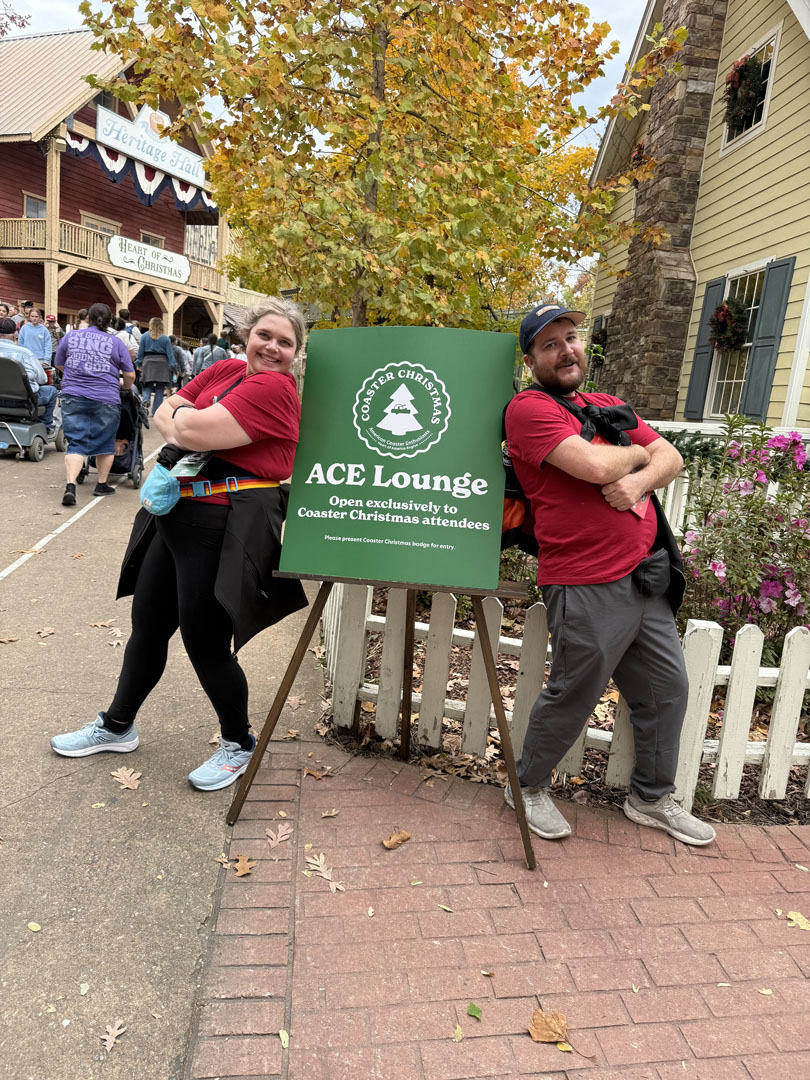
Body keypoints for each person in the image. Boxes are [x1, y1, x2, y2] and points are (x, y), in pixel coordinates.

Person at [49, 297, 309, 791]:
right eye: (265, 335)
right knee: (147, 627)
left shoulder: (274, 387)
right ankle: (117, 726)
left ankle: (239, 743)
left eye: (285, 342)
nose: (272, 348)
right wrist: (186, 423)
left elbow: (182, 423)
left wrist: (185, 420)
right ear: (246, 335)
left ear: (295, 352)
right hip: (174, 514)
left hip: (222, 524)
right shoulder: (227, 370)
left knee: (206, 643)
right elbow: (163, 415)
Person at [503, 304, 715, 847]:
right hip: (583, 579)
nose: (566, 350)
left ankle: (651, 798)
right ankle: (527, 787)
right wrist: (640, 453)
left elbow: (672, 458)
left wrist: (640, 481)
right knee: (575, 691)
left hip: (646, 576)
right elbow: (596, 467)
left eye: (571, 338)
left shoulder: (603, 405)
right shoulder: (529, 409)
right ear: (531, 360)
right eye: (550, 344)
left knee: (667, 690)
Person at [54, 302, 135, 505]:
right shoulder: (116, 342)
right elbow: (130, 374)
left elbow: (59, 363)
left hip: (73, 395)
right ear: (110, 322)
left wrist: (74, 375)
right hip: (106, 397)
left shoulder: (71, 336)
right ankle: (101, 484)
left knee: (75, 443)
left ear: (88, 318)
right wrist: (124, 386)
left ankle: (70, 485)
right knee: (105, 443)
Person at [0, 317, 58, 436]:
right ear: (16, 334)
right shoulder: (25, 353)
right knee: (52, 391)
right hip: (24, 401)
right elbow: (43, 379)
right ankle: (45, 428)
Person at [136, 317, 176, 414]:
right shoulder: (166, 338)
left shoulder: (144, 336)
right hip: (162, 364)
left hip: (148, 362)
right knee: (160, 387)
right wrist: (173, 367)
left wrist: (139, 363)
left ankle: (145, 400)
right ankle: (155, 410)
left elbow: (140, 352)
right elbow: (170, 354)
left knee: (147, 384)